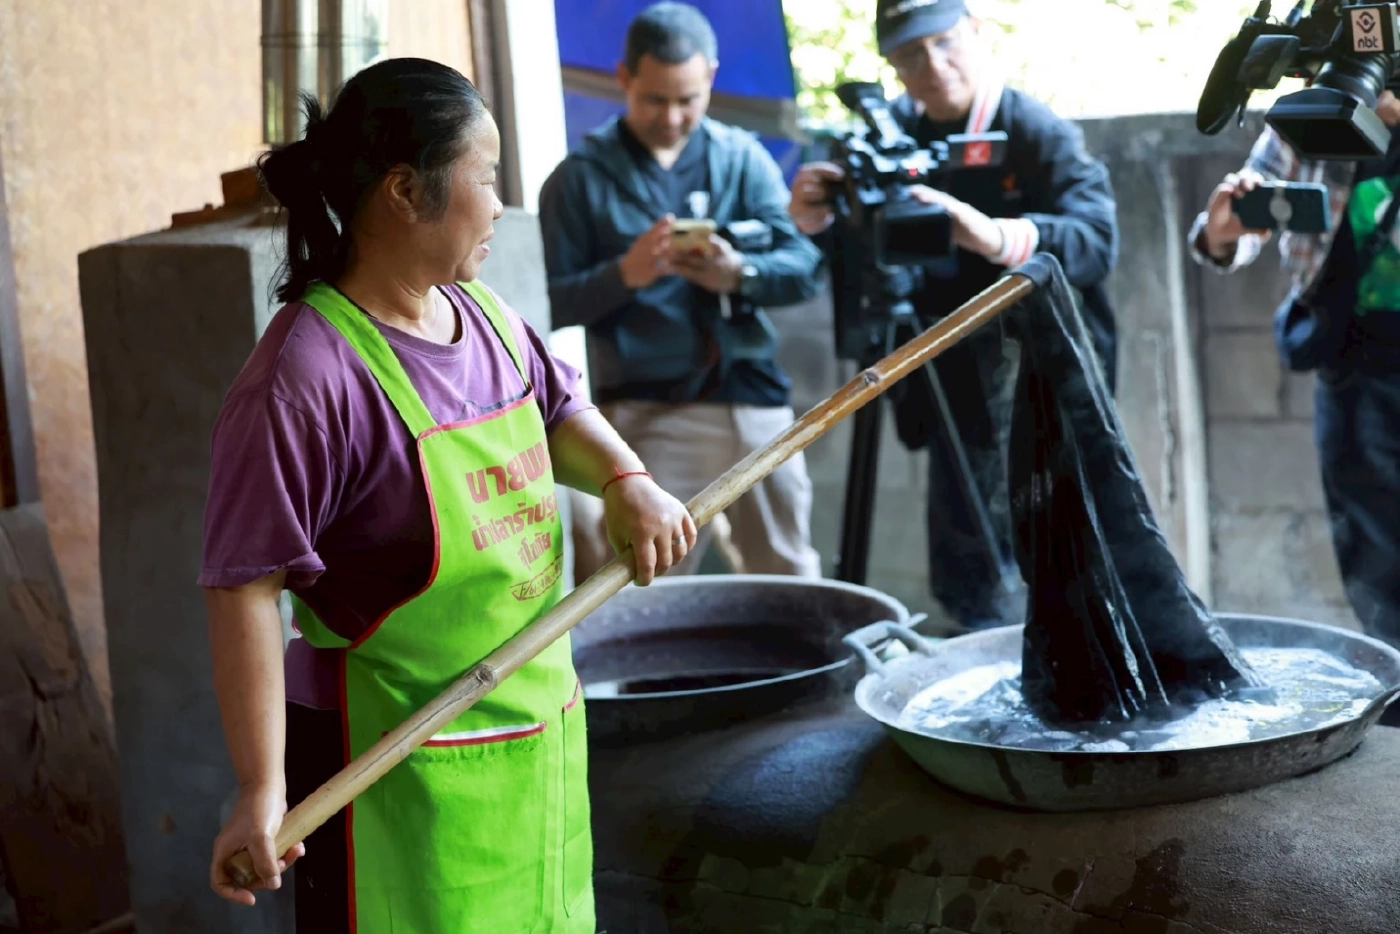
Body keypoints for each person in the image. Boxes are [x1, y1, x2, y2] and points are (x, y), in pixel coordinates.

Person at [199, 58, 697, 933]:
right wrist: (261, 788)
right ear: (404, 191)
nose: (499, 204)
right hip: (395, 779)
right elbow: (246, 583)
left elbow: (559, 408)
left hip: (535, 750)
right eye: (486, 177)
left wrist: (628, 481)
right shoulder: (304, 379)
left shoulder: (484, 317)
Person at [788, 0, 1119, 631]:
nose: (933, 66)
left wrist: (995, 236)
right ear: (891, 65)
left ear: (976, 32)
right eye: (910, 54)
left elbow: (1098, 239)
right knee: (966, 563)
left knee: (1063, 555)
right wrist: (818, 223)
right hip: (948, 382)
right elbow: (866, 261)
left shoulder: (1033, 130)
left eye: (943, 43)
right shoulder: (888, 140)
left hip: (1042, 383)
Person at [538, 1, 825, 582]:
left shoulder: (742, 159)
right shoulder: (578, 178)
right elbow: (547, 305)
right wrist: (626, 274)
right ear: (624, 80)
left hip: (750, 399)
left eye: (688, 100)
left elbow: (803, 266)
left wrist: (740, 272)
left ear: (711, 79)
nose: (672, 117)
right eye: (655, 100)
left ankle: (802, 674)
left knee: (789, 573)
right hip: (645, 409)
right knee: (637, 582)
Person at [1188, 92, 1400, 655]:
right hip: (1355, 361)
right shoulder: (1315, 116)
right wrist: (1222, 231)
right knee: (1378, 559)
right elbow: (1246, 214)